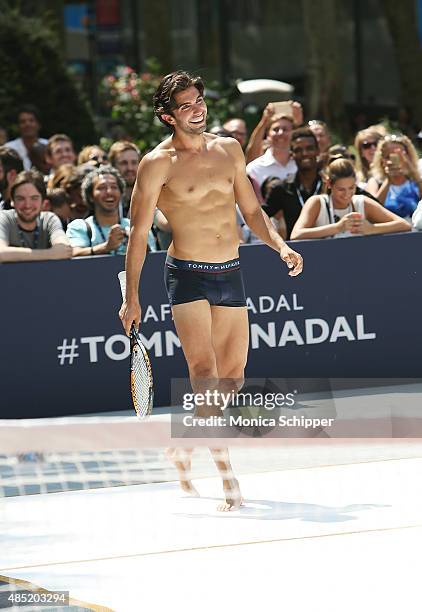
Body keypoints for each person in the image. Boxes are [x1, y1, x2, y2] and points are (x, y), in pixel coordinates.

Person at [119, 70, 303, 511]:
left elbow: (252, 210)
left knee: (232, 378)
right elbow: (139, 236)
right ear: (167, 116)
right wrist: (132, 297)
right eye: (186, 105)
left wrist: (279, 245)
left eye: (198, 100)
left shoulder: (229, 149)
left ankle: (182, 450)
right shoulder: (155, 163)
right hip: (186, 274)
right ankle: (228, 479)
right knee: (203, 374)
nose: (197, 108)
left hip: (231, 271)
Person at [290, 158, 411, 240]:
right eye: (341, 189)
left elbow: (404, 225)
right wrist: (338, 228)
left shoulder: (362, 202)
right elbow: (296, 235)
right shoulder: (316, 202)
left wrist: (371, 229)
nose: (347, 194)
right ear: (329, 184)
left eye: (351, 188)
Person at [66, 164, 157, 256]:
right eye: (101, 188)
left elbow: (154, 260)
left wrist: (139, 244)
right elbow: (72, 253)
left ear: (121, 194)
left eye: (114, 187)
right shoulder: (80, 227)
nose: (109, 192)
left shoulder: (138, 227)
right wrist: (106, 247)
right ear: (90, 196)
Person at [262, 128, 323, 239]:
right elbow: (260, 218)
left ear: (318, 151)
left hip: (331, 248)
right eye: (298, 150)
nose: (304, 154)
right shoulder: (281, 188)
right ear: (292, 154)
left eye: (309, 148)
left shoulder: (329, 185)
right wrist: (276, 240)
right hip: (296, 252)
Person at [0, 169, 72, 263]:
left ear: (43, 202)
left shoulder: (49, 219)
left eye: (34, 198)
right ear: (12, 201)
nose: (27, 205)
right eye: (20, 199)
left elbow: (65, 250)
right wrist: (51, 254)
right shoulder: (4, 218)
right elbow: (1, 253)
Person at [366, 134, 422, 221]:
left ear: (408, 156)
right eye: (388, 156)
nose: (392, 161)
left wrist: (413, 172)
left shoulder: (416, 181)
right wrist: (388, 180)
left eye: (398, 156)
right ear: (381, 159)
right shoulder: (375, 182)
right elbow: (371, 210)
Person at [246, 113, 297, 189]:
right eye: (276, 129)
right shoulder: (254, 169)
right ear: (268, 135)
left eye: (285, 129)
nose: (280, 133)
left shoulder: (300, 165)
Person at [5, 105, 47, 170]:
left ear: (39, 125)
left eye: (31, 120)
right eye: (23, 121)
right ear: (18, 126)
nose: (27, 124)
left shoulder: (49, 146)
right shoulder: (9, 149)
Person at [108, 141, 141, 215]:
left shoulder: (149, 196)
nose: (130, 168)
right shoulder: (107, 198)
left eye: (134, 162)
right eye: (123, 163)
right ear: (113, 166)